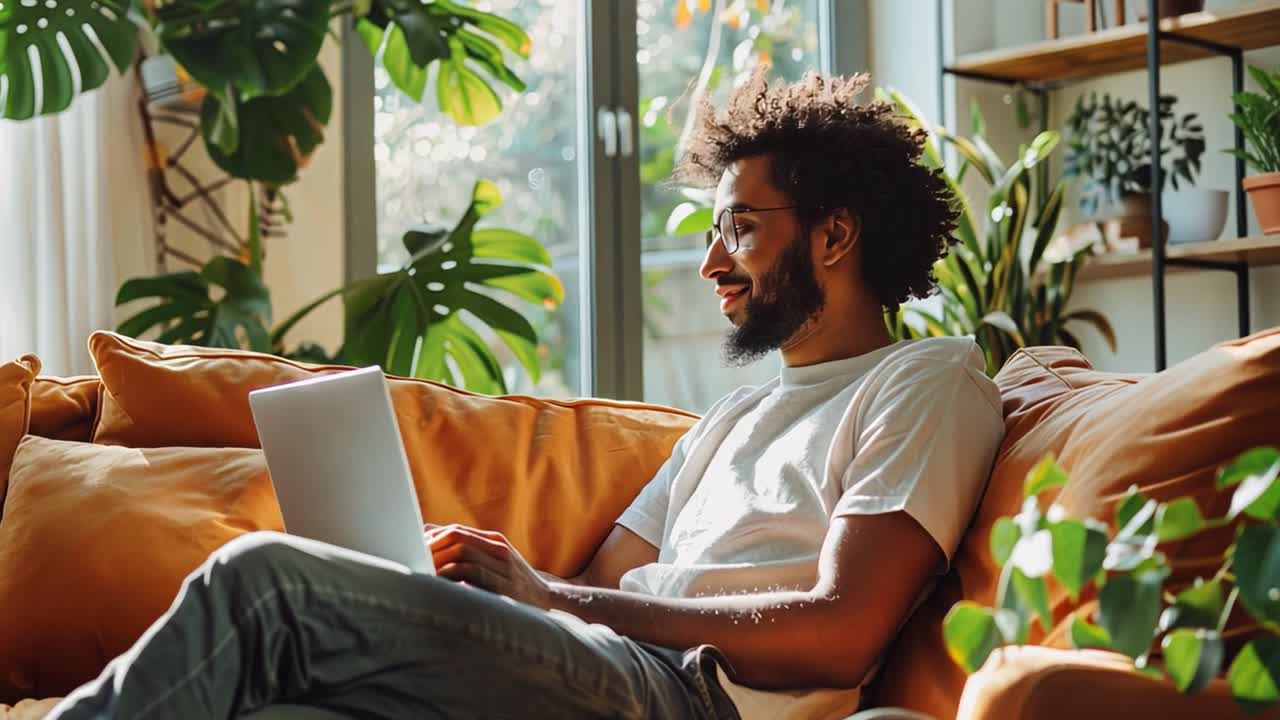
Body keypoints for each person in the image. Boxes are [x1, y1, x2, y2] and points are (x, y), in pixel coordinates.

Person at [49, 69, 1005, 720]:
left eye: (740, 229)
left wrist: (551, 596)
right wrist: (453, 592)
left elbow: (840, 634)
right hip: (609, 671)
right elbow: (601, 581)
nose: (712, 261)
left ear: (835, 237)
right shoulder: (738, 417)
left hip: (689, 699)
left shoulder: (926, 381)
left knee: (259, 581)